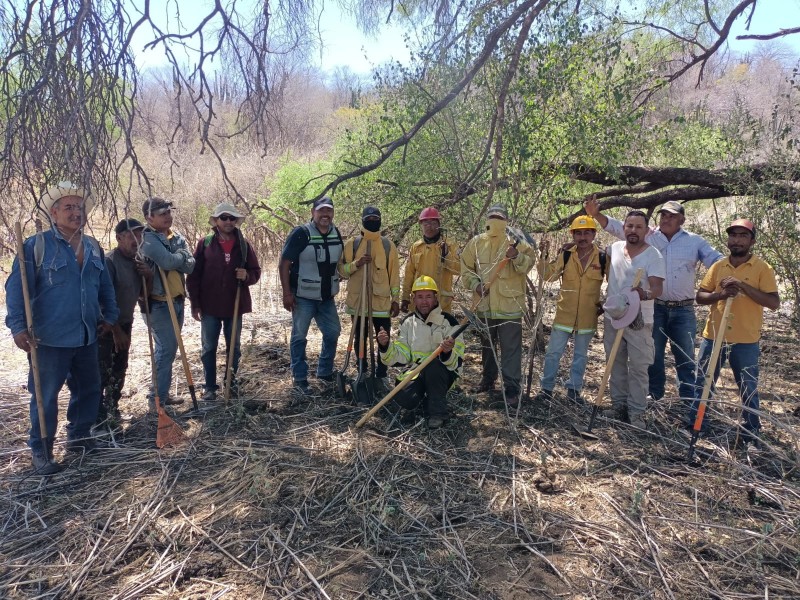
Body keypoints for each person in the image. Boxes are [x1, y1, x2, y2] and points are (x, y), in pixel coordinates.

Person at [6, 181, 120, 474]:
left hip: (87, 335)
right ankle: (41, 450)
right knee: (45, 396)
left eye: (79, 207)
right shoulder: (36, 246)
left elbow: (105, 286)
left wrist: (110, 316)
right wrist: (18, 326)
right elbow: (16, 289)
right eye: (68, 207)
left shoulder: (94, 247)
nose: (75, 212)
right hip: (48, 338)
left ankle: (80, 438)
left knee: (89, 389)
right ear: (54, 213)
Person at [586, 196, 723, 402]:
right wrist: (596, 214)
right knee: (654, 356)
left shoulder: (695, 242)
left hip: (683, 309)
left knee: (685, 355)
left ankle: (687, 400)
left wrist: (733, 271)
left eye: (672, 216)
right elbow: (619, 227)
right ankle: (654, 395)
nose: (666, 219)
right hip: (654, 307)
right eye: (664, 215)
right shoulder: (649, 236)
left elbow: (716, 260)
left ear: (682, 221)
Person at [689, 219, 779, 447]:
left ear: (752, 241)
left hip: (746, 339)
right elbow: (700, 297)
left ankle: (751, 433)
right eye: (733, 235)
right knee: (703, 383)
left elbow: (773, 302)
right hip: (714, 336)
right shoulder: (718, 266)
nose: (736, 240)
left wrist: (742, 286)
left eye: (742, 236)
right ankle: (697, 425)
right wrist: (721, 295)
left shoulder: (762, 268)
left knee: (748, 388)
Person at [460, 203, 536, 408]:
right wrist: (475, 286)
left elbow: (529, 264)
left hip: (510, 306)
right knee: (487, 346)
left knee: (511, 349)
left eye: (499, 216)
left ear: (506, 219)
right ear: (486, 218)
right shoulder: (476, 243)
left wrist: (516, 256)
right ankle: (488, 380)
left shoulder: (516, 240)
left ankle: (512, 388)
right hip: (484, 305)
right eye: (492, 215)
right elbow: (465, 268)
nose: (496, 220)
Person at [188, 203, 261, 401]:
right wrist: (195, 303)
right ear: (216, 221)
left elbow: (256, 272)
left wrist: (247, 275)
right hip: (209, 305)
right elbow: (194, 275)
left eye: (232, 218)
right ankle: (210, 386)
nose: (228, 221)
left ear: (236, 221)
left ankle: (231, 383)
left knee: (234, 347)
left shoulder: (244, 245)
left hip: (235, 305)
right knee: (209, 347)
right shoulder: (205, 243)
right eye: (224, 217)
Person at [601, 210, 666, 429]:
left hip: (640, 320)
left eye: (638, 227)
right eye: (629, 226)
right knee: (615, 363)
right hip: (614, 316)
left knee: (638, 367)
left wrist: (644, 294)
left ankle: (637, 413)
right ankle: (618, 406)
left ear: (646, 231)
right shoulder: (615, 249)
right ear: (624, 228)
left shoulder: (653, 255)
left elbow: (657, 288)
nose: (633, 231)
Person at [377, 276, 465, 428]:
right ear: (414, 299)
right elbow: (402, 356)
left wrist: (448, 353)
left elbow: (458, 361)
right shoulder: (408, 322)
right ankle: (424, 402)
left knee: (432, 366)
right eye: (420, 297)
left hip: (442, 374)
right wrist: (385, 346)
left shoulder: (450, 322)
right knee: (403, 398)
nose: (424, 301)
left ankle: (438, 413)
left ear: (435, 298)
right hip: (416, 372)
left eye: (428, 296)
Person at [535, 215, 605, 404]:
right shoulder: (566, 255)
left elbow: (614, 283)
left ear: (593, 234)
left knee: (580, 356)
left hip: (587, 316)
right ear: (573, 235)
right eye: (578, 233)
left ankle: (574, 391)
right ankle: (546, 389)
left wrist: (607, 305)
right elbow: (548, 276)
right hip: (564, 314)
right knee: (553, 353)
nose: (582, 237)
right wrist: (544, 255)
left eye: (586, 233)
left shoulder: (603, 257)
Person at [279, 196, 343, 396]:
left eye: (329, 211)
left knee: (333, 333)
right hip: (303, 296)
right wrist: (287, 293)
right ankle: (300, 378)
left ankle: (324, 372)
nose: (325, 215)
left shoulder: (336, 233)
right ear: (313, 213)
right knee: (299, 337)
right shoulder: (301, 233)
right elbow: (284, 264)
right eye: (321, 211)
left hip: (326, 298)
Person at [140, 197, 195, 410]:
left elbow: (190, 266)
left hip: (177, 301)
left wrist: (178, 257)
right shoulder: (147, 239)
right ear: (149, 217)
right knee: (167, 348)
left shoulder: (176, 236)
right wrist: (180, 256)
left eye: (169, 213)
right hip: (158, 304)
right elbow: (167, 262)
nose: (168, 217)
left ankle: (161, 393)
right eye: (163, 214)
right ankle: (157, 399)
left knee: (170, 350)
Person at [338, 206, 401, 394]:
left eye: (376, 218)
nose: (372, 221)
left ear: (380, 220)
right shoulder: (353, 244)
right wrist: (357, 264)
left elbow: (395, 275)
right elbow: (341, 270)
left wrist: (395, 299)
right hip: (358, 304)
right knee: (360, 339)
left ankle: (381, 375)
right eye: (369, 218)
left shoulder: (388, 245)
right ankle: (362, 373)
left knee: (383, 339)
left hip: (381, 303)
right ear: (363, 220)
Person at [96, 218, 152, 426]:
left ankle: (113, 409)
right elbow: (103, 300)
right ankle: (97, 416)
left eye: (139, 235)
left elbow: (143, 297)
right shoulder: (110, 261)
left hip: (126, 322)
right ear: (119, 238)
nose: (136, 240)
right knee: (103, 369)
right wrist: (116, 331)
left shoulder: (138, 261)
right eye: (131, 235)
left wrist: (148, 276)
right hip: (106, 326)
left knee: (120, 368)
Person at [400, 207, 460, 314]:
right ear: (421, 226)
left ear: (439, 224)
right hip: (419, 304)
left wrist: (446, 255)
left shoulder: (450, 245)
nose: (430, 227)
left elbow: (458, 270)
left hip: (442, 304)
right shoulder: (416, 247)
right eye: (426, 224)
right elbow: (409, 274)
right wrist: (405, 298)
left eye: (433, 223)